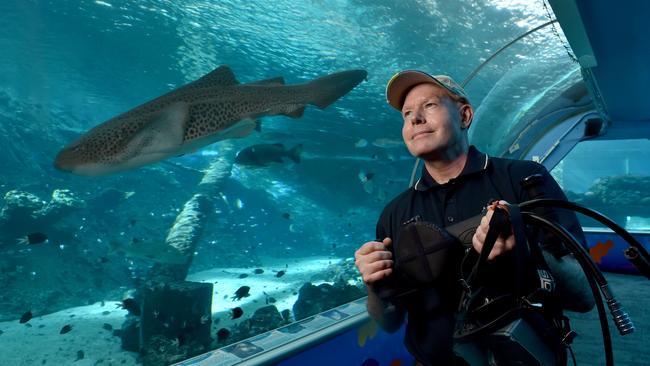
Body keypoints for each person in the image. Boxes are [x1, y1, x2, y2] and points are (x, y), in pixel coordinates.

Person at [354, 70, 594, 365]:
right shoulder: (394, 213)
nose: (415, 119)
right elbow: (389, 322)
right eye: (406, 114)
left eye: (429, 105)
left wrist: (526, 250)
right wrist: (374, 286)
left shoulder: (524, 181)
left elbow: (584, 296)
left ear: (464, 115)